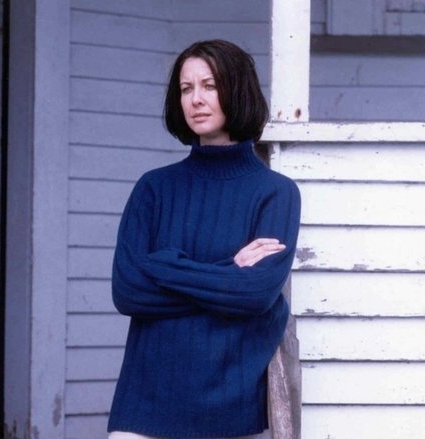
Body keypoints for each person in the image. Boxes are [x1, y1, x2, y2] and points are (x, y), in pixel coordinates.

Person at [106, 39, 301, 439]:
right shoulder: (153, 189)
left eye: (210, 85)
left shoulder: (276, 193)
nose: (196, 99)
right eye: (186, 88)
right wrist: (229, 271)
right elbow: (128, 291)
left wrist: (164, 266)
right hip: (144, 402)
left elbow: (255, 295)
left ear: (238, 90)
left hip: (230, 408)